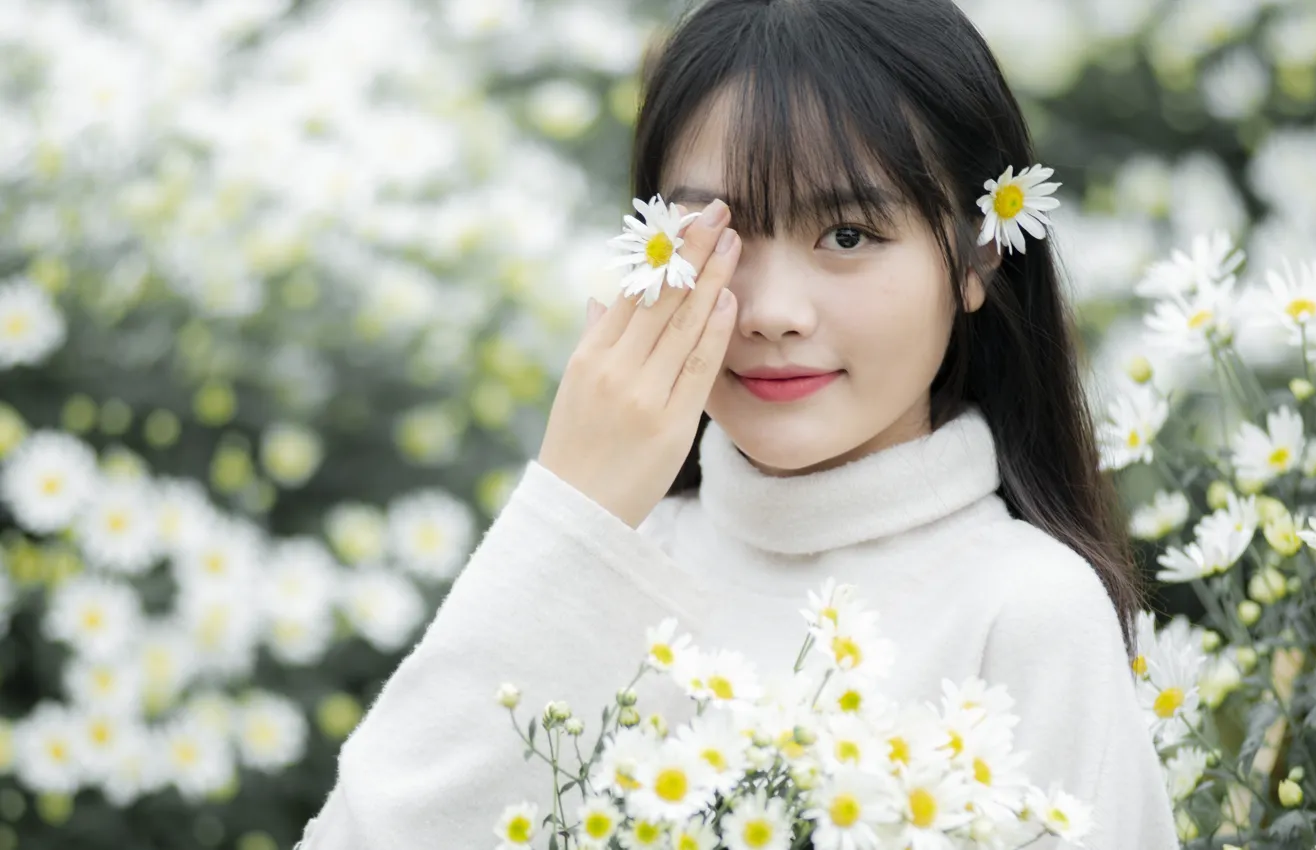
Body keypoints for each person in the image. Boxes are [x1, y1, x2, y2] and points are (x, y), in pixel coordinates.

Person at [298, 0, 1179, 847]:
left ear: (977, 254)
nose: (771, 312)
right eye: (721, 236)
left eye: (847, 234)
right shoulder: (599, 560)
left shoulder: (1024, 611)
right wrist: (571, 516)